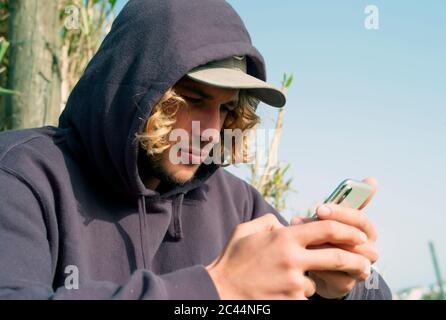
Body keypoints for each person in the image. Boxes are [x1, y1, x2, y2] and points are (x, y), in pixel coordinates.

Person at [0, 0, 391, 299]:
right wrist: (217, 287)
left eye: (225, 108)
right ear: (131, 86)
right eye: (190, 99)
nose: (210, 130)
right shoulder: (21, 176)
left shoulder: (235, 202)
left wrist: (333, 284)